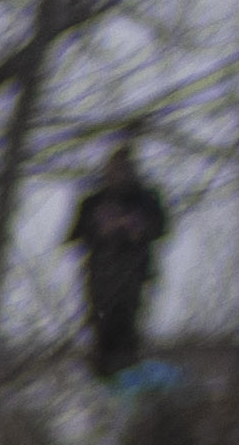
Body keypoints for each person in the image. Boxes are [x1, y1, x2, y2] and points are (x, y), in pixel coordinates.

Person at [66, 130, 171, 382]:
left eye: (123, 168)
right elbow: (74, 236)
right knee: (101, 333)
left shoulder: (146, 198)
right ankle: (100, 381)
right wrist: (101, 228)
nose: (117, 173)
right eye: (113, 168)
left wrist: (136, 228)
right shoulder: (94, 201)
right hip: (100, 277)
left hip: (133, 276)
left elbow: (160, 229)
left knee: (127, 334)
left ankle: (126, 380)